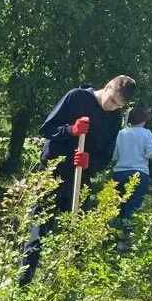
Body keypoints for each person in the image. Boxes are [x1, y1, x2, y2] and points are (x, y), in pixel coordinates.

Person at [23, 75, 135, 280]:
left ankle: (64, 288)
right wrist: (70, 130)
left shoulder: (114, 118)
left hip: (80, 178)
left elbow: (106, 155)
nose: (111, 107)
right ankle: (24, 283)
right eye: (111, 100)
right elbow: (46, 129)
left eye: (117, 106)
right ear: (108, 86)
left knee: (76, 234)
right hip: (52, 173)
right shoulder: (77, 97)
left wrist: (90, 162)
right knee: (39, 228)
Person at [110, 105, 152, 221]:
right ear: (144, 119)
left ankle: (116, 230)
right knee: (133, 208)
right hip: (139, 173)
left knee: (118, 207)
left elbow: (114, 155)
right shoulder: (147, 134)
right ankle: (127, 233)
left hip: (119, 173)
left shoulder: (121, 133)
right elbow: (151, 155)